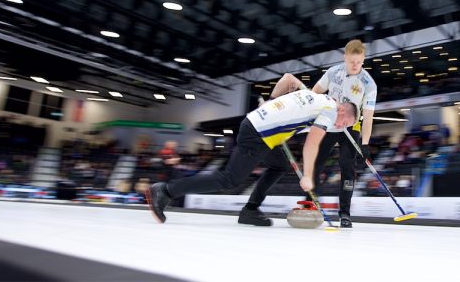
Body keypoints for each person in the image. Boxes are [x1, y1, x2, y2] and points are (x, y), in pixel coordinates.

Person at [145, 83, 358, 225]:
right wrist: (309, 175)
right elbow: (312, 144)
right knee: (229, 179)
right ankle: (165, 190)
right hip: (259, 134)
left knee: (280, 165)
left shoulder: (314, 96)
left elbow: (288, 80)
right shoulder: (330, 111)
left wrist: (271, 101)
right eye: (345, 123)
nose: (341, 127)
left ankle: (250, 210)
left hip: (258, 127)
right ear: (342, 110)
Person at [307, 39, 377, 228]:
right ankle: (311, 203)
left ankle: (344, 213)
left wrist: (365, 143)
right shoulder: (332, 72)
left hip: (350, 128)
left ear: (363, 59)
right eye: (352, 61)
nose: (355, 65)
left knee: (348, 168)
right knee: (315, 163)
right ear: (344, 57)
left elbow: (368, 116)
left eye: (359, 61)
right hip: (329, 124)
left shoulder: (369, 84)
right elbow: (315, 92)